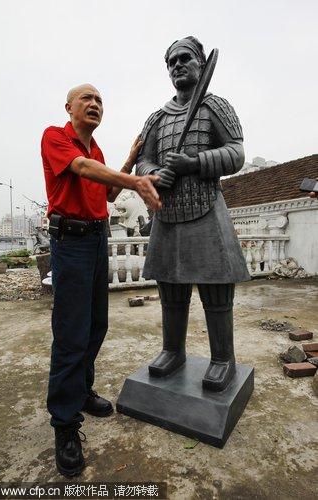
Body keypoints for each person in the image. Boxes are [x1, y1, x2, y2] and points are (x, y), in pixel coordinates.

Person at [41, 83, 160, 477]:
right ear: (69, 107)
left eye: (100, 101)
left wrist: (127, 161)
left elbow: (106, 195)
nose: (94, 104)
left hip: (96, 239)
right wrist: (137, 182)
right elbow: (80, 169)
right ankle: (65, 423)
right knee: (71, 331)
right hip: (70, 241)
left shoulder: (98, 151)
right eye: (87, 99)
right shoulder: (56, 137)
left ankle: (81, 390)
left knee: (96, 325)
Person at [136, 37, 250, 392]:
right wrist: (155, 173)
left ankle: (222, 358)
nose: (177, 65)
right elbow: (144, 160)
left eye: (185, 58)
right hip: (167, 212)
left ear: (200, 63)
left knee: (216, 291)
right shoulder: (157, 118)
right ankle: (173, 351)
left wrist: (194, 163)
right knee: (170, 288)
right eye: (171, 62)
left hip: (205, 208)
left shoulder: (215, 106)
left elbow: (236, 153)